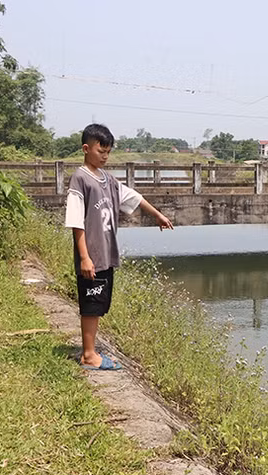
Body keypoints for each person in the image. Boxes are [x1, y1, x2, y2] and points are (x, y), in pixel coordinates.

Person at [64, 124, 173, 370]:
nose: (104, 156)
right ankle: (89, 355)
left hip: (106, 253)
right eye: (100, 151)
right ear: (86, 149)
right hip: (92, 254)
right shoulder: (80, 179)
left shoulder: (108, 180)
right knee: (91, 303)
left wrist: (157, 215)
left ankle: (91, 350)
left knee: (99, 302)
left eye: (108, 152)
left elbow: (133, 197)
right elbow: (76, 222)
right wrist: (84, 257)